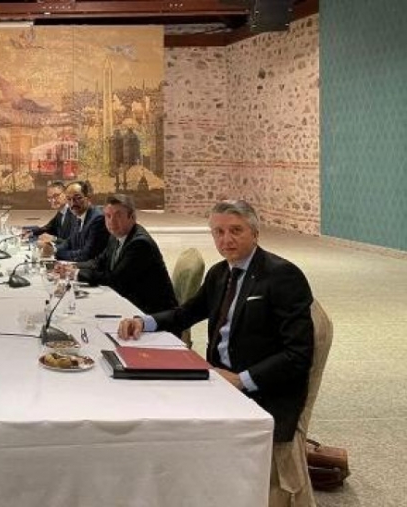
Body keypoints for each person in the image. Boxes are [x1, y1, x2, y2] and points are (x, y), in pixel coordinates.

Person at [117, 200, 314, 444]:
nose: (226, 239)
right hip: (217, 377)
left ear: (255, 233)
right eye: (218, 232)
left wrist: (241, 380)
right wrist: (143, 322)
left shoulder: (282, 276)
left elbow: (299, 353)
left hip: (262, 391)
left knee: (175, 431)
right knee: (147, 402)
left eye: (236, 230)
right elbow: (186, 314)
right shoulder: (220, 273)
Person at [70, 194, 177, 314]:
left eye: (118, 216)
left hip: (152, 314)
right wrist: (71, 266)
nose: (112, 221)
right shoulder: (115, 236)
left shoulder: (140, 244)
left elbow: (114, 281)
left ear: (132, 217)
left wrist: (75, 273)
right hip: (130, 304)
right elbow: (98, 262)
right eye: (108, 216)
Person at [43, 181, 109, 262]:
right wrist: (54, 248)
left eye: (77, 198)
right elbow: (70, 242)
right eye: (69, 199)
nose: (72, 203)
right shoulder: (76, 215)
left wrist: (55, 253)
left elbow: (86, 254)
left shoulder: (97, 219)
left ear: (88, 197)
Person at [27, 181, 75, 246]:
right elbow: (48, 228)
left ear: (66, 194)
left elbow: (75, 243)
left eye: (56, 196)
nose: (53, 200)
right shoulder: (61, 212)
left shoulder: (75, 213)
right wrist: (30, 232)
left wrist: (54, 239)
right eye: (50, 198)